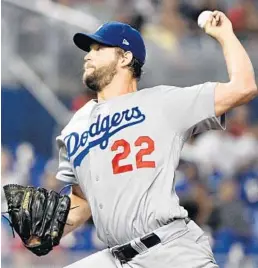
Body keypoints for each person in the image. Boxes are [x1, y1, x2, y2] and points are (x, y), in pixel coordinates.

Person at [56, 11, 257, 268]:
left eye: (98, 48)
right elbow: (83, 199)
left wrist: (225, 34)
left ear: (125, 57)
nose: (88, 55)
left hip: (170, 251)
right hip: (117, 257)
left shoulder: (162, 102)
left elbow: (244, 86)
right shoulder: (75, 126)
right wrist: (51, 229)